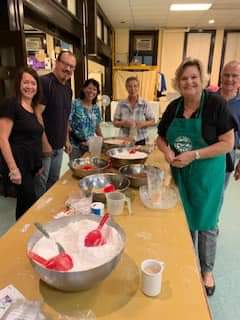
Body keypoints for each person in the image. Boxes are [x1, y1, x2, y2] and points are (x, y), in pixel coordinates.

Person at [156, 58, 235, 296]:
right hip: (182, 174)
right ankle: (188, 262)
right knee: (185, 219)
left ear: (202, 80)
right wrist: (167, 151)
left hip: (208, 174)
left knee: (207, 222)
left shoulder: (215, 104)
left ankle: (207, 270)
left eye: (194, 77)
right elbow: (160, 137)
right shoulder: (175, 107)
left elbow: (227, 143)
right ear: (178, 83)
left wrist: (195, 154)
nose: (189, 82)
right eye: (184, 78)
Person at [0, 67, 43, 219]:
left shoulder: (32, 108)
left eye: (33, 83)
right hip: (18, 164)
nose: (30, 87)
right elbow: (2, 138)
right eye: (26, 82)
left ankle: (24, 232)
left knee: (25, 203)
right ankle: (22, 235)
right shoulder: (11, 103)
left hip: (30, 164)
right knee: (28, 202)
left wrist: (37, 164)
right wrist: (13, 169)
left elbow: (32, 139)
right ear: (18, 84)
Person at [35, 50, 76, 198]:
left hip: (58, 146)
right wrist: (44, 143)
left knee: (52, 182)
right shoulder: (45, 82)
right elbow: (37, 113)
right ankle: (36, 217)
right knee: (40, 185)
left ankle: (47, 214)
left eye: (72, 67)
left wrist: (66, 140)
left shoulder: (68, 90)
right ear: (57, 63)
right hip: (44, 147)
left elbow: (65, 117)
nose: (68, 69)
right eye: (65, 64)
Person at [113, 76, 155, 145]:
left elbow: (153, 121)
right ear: (126, 88)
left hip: (141, 139)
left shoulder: (145, 103)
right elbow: (115, 122)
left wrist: (143, 124)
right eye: (129, 86)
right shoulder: (121, 104)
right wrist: (123, 123)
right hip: (124, 139)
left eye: (135, 86)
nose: (132, 89)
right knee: (125, 155)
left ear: (138, 87)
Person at [69, 78, 102, 159]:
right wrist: (66, 142)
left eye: (94, 89)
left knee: (90, 167)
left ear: (97, 92)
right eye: (89, 88)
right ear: (84, 89)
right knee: (77, 168)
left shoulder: (96, 108)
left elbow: (97, 127)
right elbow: (67, 124)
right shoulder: (75, 104)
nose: (91, 91)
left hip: (91, 145)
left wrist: (103, 141)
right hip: (75, 145)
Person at [219, 60, 240, 183]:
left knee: (219, 192)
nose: (229, 79)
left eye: (234, 75)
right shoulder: (209, 98)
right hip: (205, 150)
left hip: (227, 154)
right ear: (221, 77)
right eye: (226, 75)